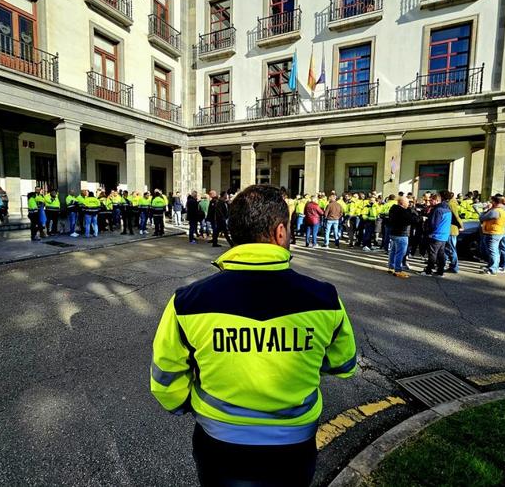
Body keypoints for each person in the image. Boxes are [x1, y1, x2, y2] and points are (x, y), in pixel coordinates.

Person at [150, 184, 356, 487]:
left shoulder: (187, 301)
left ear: (232, 232)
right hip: (293, 442)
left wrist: (188, 406)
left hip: (219, 441)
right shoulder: (324, 299)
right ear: (281, 232)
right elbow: (344, 365)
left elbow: (166, 379)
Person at [420, 193, 451, 277]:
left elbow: (434, 224)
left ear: (437, 200)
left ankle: (429, 270)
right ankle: (440, 271)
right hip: (444, 235)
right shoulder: (447, 209)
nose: (430, 202)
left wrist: (426, 225)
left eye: (431, 200)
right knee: (441, 254)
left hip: (436, 235)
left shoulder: (437, 210)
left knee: (432, 254)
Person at [479, 195, 505, 275]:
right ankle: (492, 266)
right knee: (495, 251)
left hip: (492, 232)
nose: (490, 203)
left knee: (493, 251)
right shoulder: (504, 210)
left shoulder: (495, 211)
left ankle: (492, 269)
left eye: (492, 201)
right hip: (499, 232)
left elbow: (482, 218)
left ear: (495, 202)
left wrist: (485, 210)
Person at [387, 196, 413, 278]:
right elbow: (410, 220)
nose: (408, 204)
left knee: (393, 251)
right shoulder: (402, 211)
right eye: (407, 202)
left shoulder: (393, 209)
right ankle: (398, 270)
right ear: (403, 203)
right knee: (400, 253)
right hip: (401, 234)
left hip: (393, 233)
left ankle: (391, 267)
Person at [444, 191, 464, 274]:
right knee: (448, 248)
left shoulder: (451, 204)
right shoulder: (452, 203)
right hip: (450, 229)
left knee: (451, 249)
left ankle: (454, 267)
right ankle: (444, 264)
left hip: (451, 229)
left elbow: (456, 216)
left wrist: (461, 226)